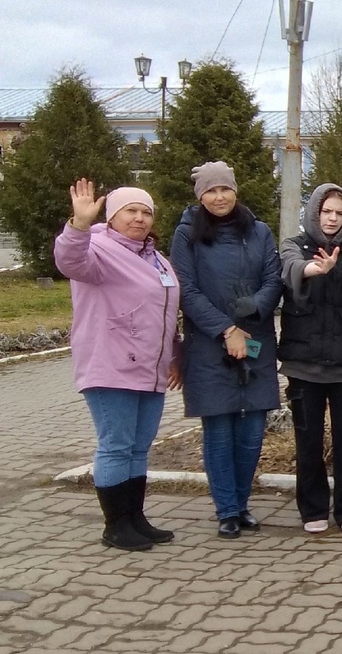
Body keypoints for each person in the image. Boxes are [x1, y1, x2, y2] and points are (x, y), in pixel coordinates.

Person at [54, 180, 181, 551]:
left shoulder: (156, 258)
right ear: (111, 216)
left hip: (151, 367)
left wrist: (175, 354)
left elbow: (166, 313)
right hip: (111, 365)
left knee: (139, 447)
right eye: (131, 211)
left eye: (146, 212)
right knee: (116, 445)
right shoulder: (97, 248)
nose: (139, 219)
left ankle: (135, 517)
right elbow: (68, 260)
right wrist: (78, 224)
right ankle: (115, 525)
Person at [169, 161, 283, 539]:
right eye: (210, 191)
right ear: (200, 196)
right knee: (218, 430)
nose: (219, 197)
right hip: (209, 345)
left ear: (235, 190)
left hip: (256, 343)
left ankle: (243, 502)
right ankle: (227, 509)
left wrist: (257, 306)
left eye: (224, 189)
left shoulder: (260, 231)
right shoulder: (187, 235)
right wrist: (226, 328)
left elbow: (273, 276)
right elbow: (186, 289)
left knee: (252, 431)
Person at [278, 183, 342, 534]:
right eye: (326, 211)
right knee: (309, 441)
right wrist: (315, 270)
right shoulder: (294, 246)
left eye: (339, 212)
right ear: (314, 213)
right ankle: (312, 508)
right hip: (303, 364)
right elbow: (291, 270)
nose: (332, 218)